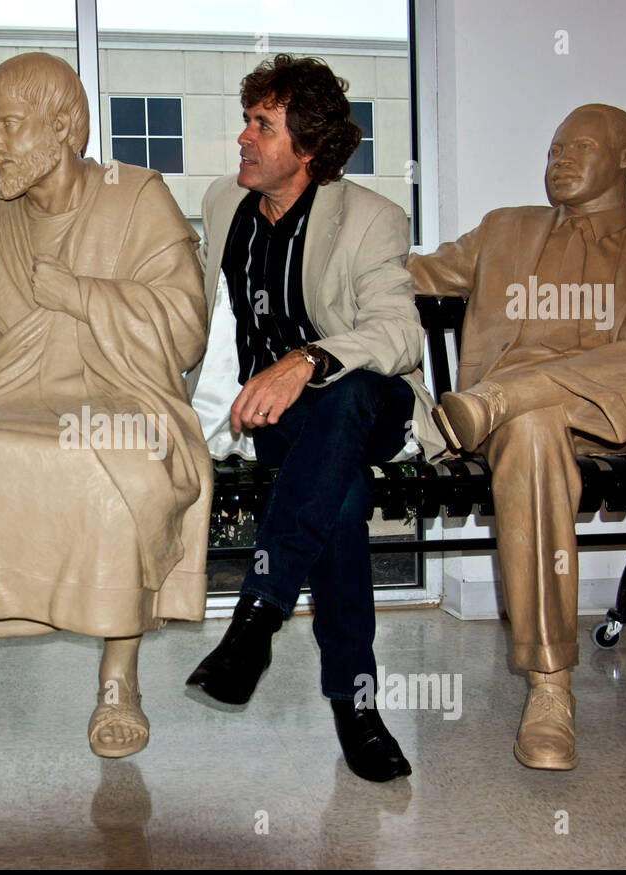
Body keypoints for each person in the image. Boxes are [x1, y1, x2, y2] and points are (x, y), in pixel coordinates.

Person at [0, 52, 211, 810]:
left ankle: (117, 680)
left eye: (6, 127)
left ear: (63, 128)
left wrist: (85, 295)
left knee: (117, 469)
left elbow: (186, 326)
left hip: (121, 397)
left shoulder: (136, 199)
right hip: (12, 400)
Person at [407, 103, 626, 770]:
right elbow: (404, 274)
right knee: (533, 425)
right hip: (521, 436)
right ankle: (551, 689)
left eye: (581, 146)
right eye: (555, 147)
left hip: (618, 424)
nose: (559, 157)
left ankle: (505, 397)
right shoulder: (504, 231)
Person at [185, 54, 443, 782]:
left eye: (260, 125)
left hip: (371, 404)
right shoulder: (222, 205)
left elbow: (398, 335)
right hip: (287, 425)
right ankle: (353, 703)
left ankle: (255, 620)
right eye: (247, 120)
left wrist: (307, 361)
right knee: (340, 497)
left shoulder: (369, 218)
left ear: (306, 149)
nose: (242, 137)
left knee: (345, 397)